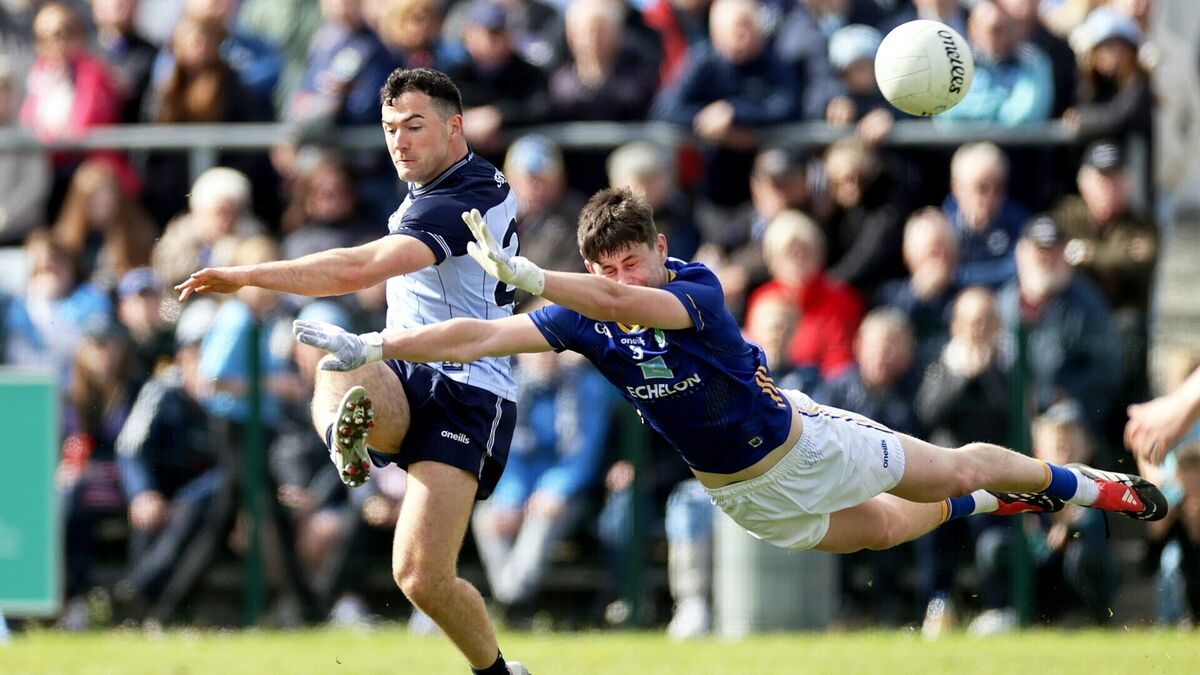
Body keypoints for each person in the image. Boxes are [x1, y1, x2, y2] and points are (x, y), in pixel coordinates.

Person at [294, 186, 1167, 570]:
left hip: (804, 444)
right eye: (611, 267)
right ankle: (994, 505)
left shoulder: (694, 288)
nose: (625, 277)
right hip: (740, 495)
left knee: (954, 465)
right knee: (880, 533)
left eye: (636, 260)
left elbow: (616, 300)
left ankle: (1095, 487)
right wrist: (379, 342)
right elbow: (485, 331)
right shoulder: (582, 315)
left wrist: (537, 276)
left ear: (659, 250)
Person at [176, 68, 530, 675]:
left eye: (414, 126)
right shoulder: (432, 187)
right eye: (390, 128)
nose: (400, 141)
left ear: (455, 127)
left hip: (469, 391)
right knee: (336, 359)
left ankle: (497, 672)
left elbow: (356, 269)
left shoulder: (462, 196)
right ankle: (347, 442)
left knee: (419, 576)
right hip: (409, 371)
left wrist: (250, 273)